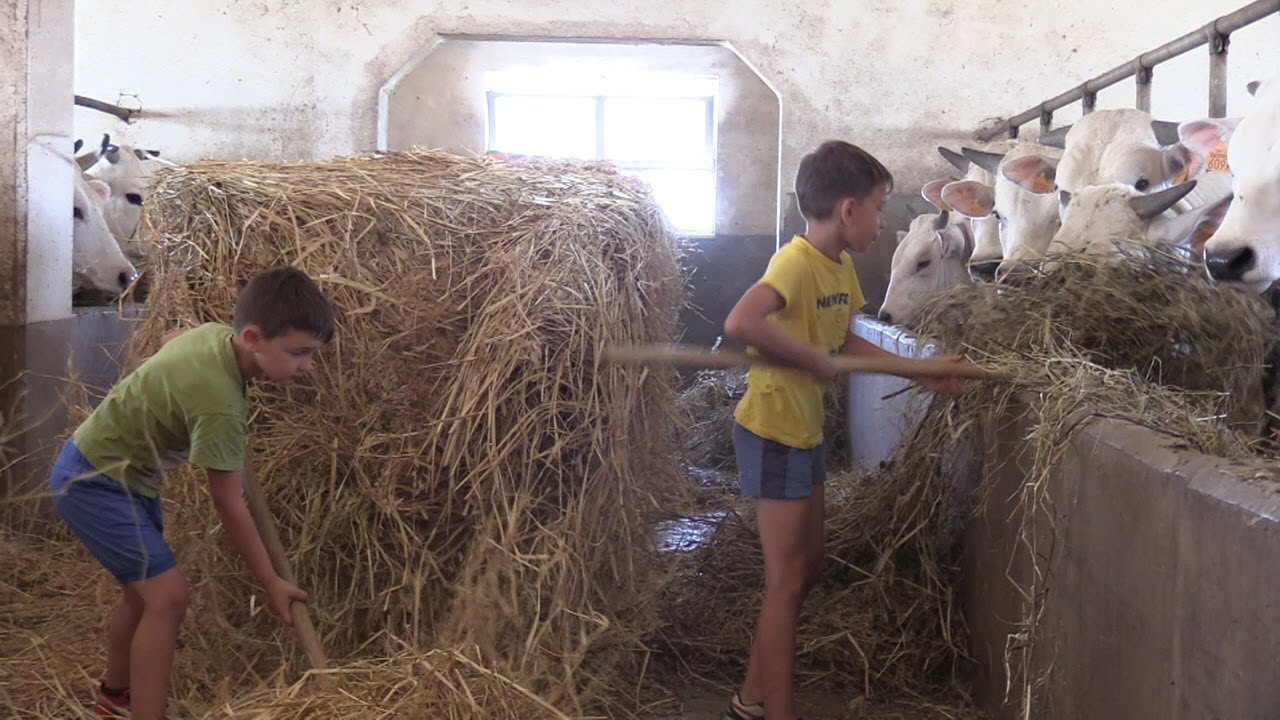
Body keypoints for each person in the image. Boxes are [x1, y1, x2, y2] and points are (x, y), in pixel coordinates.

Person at [720, 141, 967, 720]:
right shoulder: (796, 261)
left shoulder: (841, 267)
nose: (885, 223)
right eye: (882, 209)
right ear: (849, 209)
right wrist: (808, 354)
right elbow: (741, 322)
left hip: (803, 433)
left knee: (809, 569)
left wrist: (922, 371)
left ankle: (749, 700)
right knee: (784, 581)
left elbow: (848, 343)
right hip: (774, 431)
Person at [48, 266, 336, 719]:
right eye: (299, 353)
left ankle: (114, 698)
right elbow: (228, 503)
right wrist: (271, 581)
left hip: (119, 475)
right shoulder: (221, 405)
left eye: (312, 354)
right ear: (254, 339)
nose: (307, 367)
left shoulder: (216, 337)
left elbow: (172, 337)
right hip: (94, 482)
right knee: (168, 598)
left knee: (140, 596)